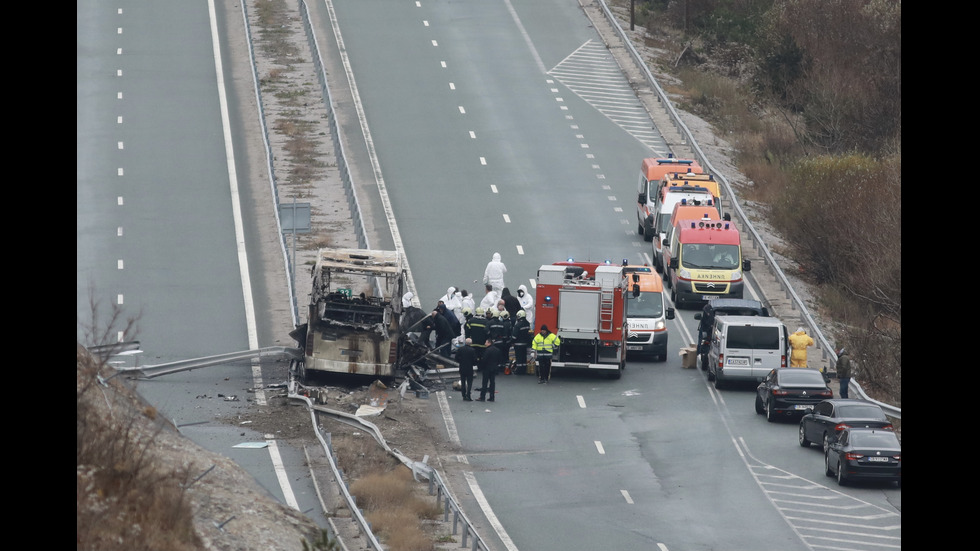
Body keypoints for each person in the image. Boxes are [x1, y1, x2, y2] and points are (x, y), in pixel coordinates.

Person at [511, 310, 532, 375]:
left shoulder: (518, 325)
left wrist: (512, 341)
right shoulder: (527, 323)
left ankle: (519, 370)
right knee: (523, 357)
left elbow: (514, 336)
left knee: (519, 358)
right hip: (525, 344)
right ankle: (524, 369)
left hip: (518, 344)